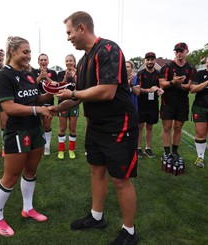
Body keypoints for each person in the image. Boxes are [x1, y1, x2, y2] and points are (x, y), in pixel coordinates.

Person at [51, 11, 139, 245]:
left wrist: (73, 93)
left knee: (120, 180)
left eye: (69, 32)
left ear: (81, 28)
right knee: (96, 171)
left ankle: (129, 231)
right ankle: (96, 216)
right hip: (96, 126)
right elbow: (80, 96)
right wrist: (57, 108)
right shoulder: (82, 60)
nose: (68, 37)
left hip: (119, 124)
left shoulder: (108, 49)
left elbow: (107, 91)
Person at [0, 36, 53, 236]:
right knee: (11, 176)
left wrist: (53, 91)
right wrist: (39, 110)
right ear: (13, 51)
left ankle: (28, 208)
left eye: (30, 52)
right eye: (25, 52)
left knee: (31, 171)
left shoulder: (30, 74)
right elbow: (9, 107)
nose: (29, 56)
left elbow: (37, 98)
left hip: (35, 130)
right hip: (17, 131)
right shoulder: (4, 76)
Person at [159, 42, 196, 167]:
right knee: (167, 127)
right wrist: (172, 82)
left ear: (187, 51)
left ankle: (174, 151)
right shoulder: (167, 66)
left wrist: (179, 84)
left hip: (182, 102)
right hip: (168, 101)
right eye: (177, 51)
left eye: (181, 51)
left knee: (178, 128)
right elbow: (162, 83)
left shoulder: (191, 68)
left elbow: (190, 86)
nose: (179, 53)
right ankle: (166, 152)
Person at [137, 52, 163, 159]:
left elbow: (161, 85)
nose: (150, 62)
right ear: (145, 61)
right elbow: (138, 89)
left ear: (155, 61)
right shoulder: (140, 73)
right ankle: (138, 148)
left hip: (153, 104)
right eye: (148, 59)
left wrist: (160, 90)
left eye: (152, 59)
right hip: (141, 103)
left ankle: (148, 148)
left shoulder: (158, 74)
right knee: (139, 126)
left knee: (150, 127)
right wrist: (150, 90)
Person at [32, 53, 58, 155]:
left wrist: (46, 77)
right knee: (35, 125)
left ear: (48, 61)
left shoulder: (52, 72)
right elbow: (31, 85)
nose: (43, 62)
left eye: (45, 60)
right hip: (35, 102)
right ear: (38, 62)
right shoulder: (33, 72)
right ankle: (36, 145)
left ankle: (47, 146)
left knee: (46, 126)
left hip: (48, 102)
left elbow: (55, 85)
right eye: (41, 60)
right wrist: (39, 77)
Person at [57, 54, 79, 160]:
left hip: (74, 103)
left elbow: (81, 87)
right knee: (62, 128)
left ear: (74, 62)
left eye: (70, 60)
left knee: (73, 128)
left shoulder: (78, 73)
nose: (69, 62)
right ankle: (61, 150)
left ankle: (71, 150)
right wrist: (66, 77)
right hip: (63, 104)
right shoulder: (61, 73)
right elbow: (59, 87)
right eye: (67, 61)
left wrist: (75, 77)